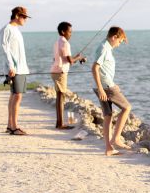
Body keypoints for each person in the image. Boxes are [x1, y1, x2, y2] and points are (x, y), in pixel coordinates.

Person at [91, 26, 132, 156]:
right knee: (127, 108)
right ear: (114, 37)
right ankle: (116, 138)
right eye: (119, 41)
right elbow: (94, 68)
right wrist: (103, 90)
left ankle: (109, 148)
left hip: (105, 86)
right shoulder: (104, 48)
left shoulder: (105, 46)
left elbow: (104, 71)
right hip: (105, 87)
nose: (119, 45)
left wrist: (112, 84)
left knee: (108, 116)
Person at [0, 6, 31, 136]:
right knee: (17, 95)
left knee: (15, 95)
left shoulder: (16, 30)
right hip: (15, 69)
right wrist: (11, 67)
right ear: (17, 16)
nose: (25, 20)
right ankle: (14, 127)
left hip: (21, 68)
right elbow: (5, 49)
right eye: (24, 17)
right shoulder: (7, 29)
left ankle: (10, 125)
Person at [50, 22, 86, 129]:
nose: (71, 34)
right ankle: (60, 124)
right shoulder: (65, 43)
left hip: (55, 71)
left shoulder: (57, 42)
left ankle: (58, 123)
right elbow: (70, 61)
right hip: (61, 72)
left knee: (59, 97)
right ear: (63, 32)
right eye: (69, 32)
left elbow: (62, 58)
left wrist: (76, 57)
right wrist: (79, 57)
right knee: (61, 97)